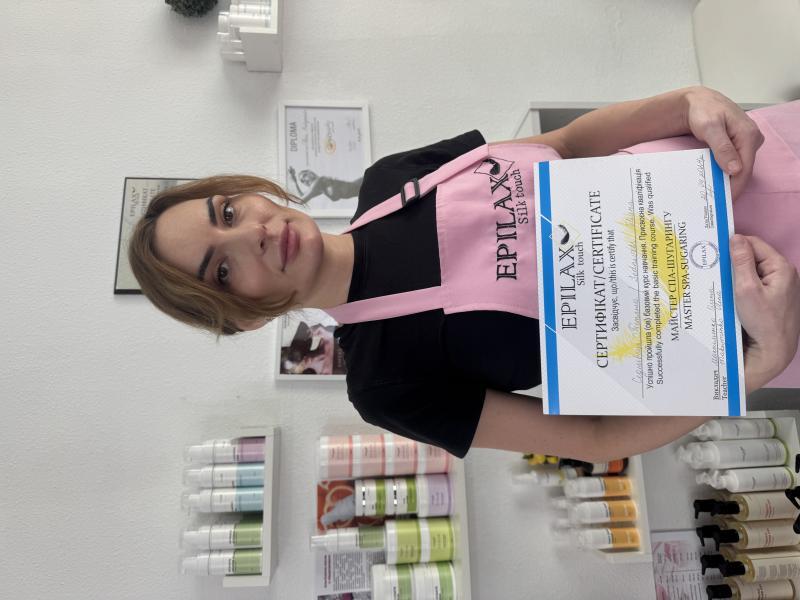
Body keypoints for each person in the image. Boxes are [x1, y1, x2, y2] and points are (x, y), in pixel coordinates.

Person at [128, 86, 800, 461]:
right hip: (768, 315)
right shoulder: (386, 383)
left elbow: (566, 144)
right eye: (222, 269)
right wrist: (758, 366)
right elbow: (598, 438)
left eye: (227, 211)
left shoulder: (391, 178)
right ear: (243, 316)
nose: (251, 233)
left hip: (750, 160)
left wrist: (684, 104)